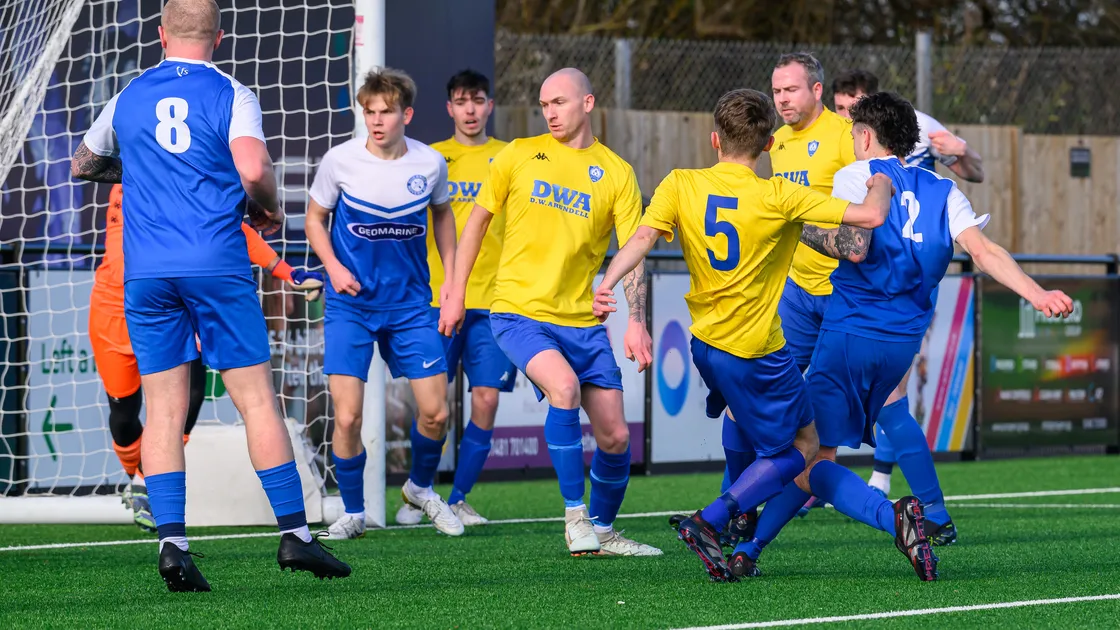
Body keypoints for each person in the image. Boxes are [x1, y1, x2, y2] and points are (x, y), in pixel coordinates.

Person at [726, 91, 1073, 582]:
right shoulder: (943, 191)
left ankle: (887, 517)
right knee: (828, 445)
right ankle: (750, 549)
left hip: (849, 334)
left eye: (852, 135)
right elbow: (985, 252)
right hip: (900, 346)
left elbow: (854, 246)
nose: (850, 143)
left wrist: (795, 226)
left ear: (865, 136)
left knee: (807, 455)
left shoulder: (856, 177)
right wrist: (1036, 293)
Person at [72, 0, 349, 591]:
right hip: (216, 265)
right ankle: (296, 537)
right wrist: (269, 206)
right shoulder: (232, 92)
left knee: (164, 410)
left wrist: (143, 170)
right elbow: (251, 169)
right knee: (256, 401)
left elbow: (84, 163)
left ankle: (174, 546)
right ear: (219, 37)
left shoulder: (129, 94)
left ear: (160, 34)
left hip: (146, 273)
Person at [595, 87, 895, 582]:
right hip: (756, 348)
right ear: (769, 144)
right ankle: (711, 519)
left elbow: (641, 239)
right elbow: (871, 217)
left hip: (705, 345)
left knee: (738, 413)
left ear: (714, 139)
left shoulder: (680, 183)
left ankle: (740, 513)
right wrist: (880, 179)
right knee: (803, 445)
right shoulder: (778, 194)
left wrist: (606, 284)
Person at [440, 68, 660, 557]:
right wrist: (455, 289)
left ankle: (603, 532)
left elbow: (633, 250)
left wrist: (637, 320)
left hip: (582, 322)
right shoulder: (518, 154)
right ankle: (574, 518)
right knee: (562, 388)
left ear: (587, 102)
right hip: (517, 312)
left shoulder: (617, 172)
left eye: (559, 102)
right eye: (544, 105)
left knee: (617, 436)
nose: (550, 113)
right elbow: (475, 224)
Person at [90, 184, 323, 532]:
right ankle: (138, 477)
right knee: (124, 414)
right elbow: (85, 163)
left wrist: (286, 271)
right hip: (114, 311)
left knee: (189, 397)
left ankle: (145, 483)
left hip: (168, 304)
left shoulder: (178, 171)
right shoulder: (129, 172)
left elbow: (231, 225)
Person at [305, 67, 464, 540]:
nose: (376, 121)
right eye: (369, 112)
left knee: (436, 412)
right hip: (350, 306)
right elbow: (315, 219)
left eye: (386, 112)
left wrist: (452, 286)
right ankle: (353, 512)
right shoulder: (339, 161)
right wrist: (332, 266)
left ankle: (419, 489)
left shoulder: (430, 164)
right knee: (349, 415)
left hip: (412, 306)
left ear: (406, 114)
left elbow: (444, 220)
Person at [832, 68, 984, 510]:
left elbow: (973, 171)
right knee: (873, 396)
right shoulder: (839, 147)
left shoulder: (913, 136)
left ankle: (882, 484)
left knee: (883, 392)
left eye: (851, 109)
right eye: (840, 110)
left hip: (892, 284)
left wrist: (963, 152)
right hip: (849, 287)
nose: (845, 118)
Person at [396, 69, 514, 528]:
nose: (470, 110)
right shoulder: (429, 159)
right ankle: (416, 495)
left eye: (478, 100)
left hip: (494, 301)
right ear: (449, 108)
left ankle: (460, 497)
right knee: (432, 406)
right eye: (461, 102)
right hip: (437, 300)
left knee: (485, 399)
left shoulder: (509, 158)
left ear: (489, 106)